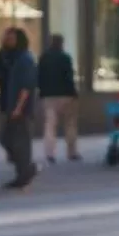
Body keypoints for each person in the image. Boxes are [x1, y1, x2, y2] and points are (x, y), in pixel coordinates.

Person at [0, 28, 38, 189]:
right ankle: (24, 169)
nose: (8, 41)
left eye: (11, 39)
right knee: (7, 138)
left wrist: (19, 107)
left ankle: (24, 172)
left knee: (20, 141)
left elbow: (26, 86)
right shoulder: (6, 57)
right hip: (10, 104)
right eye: (7, 38)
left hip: (21, 108)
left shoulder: (25, 59)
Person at [36, 33, 80, 164]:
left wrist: (41, 91)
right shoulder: (65, 58)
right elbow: (69, 77)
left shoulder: (43, 58)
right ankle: (71, 152)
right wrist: (74, 93)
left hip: (48, 96)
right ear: (62, 43)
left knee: (50, 125)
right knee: (70, 124)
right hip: (66, 95)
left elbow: (39, 77)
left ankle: (50, 153)